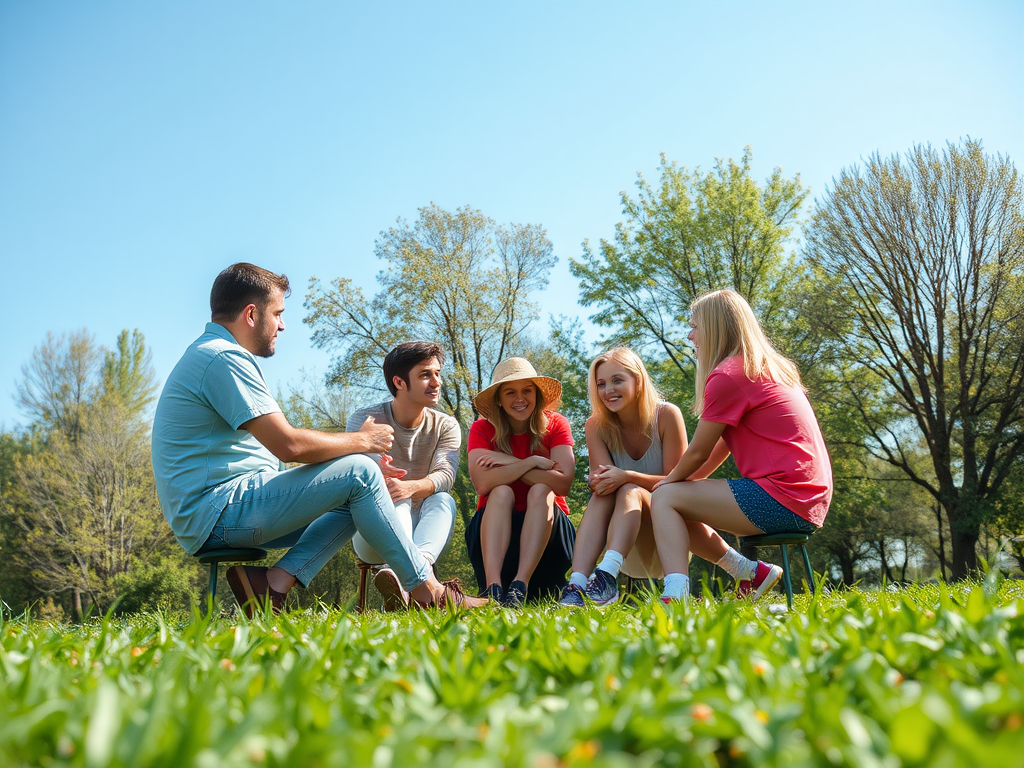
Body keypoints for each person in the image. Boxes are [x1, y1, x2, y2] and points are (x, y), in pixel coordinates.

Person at [152, 263, 485, 616]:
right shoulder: (223, 358)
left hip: (220, 509)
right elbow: (289, 446)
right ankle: (428, 590)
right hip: (216, 511)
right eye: (277, 313)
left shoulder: (216, 354)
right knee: (359, 473)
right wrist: (362, 442)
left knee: (358, 490)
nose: (282, 324)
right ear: (251, 314)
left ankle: (272, 585)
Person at [651, 289, 833, 604]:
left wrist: (665, 487)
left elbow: (698, 452)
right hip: (807, 498)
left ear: (714, 327)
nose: (690, 334)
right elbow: (718, 449)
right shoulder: (763, 368)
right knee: (674, 499)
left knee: (666, 498)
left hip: (783, 498)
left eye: (695, 326)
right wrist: (680, 487)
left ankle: (676, 596)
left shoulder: (729, 376)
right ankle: (752, 574)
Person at [347, 341, 461, 610]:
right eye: (425, 375)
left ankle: (406, 576)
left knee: (443, 499)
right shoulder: (365, 420)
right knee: (394, 493)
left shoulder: (446, 425)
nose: (436, 382)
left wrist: (410, 487)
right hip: (371, 534)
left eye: (437, 373)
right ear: (399, 382)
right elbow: (353, 471)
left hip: (425, 533)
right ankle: (413, 579)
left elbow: (446, 474)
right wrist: (378, 468)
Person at [465, 358, 576, 607]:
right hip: (493, 531)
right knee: (501, 492)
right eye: (510, 392)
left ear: (536, 394)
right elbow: (483, 485)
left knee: (542, 491)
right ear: (499, 400)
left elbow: (563, 484)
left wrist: (503, 462)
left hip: (549, 536)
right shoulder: (481, 429)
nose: (520, 398)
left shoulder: (556, 424)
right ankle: (493, 589)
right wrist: (530, 462)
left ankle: (519, 585)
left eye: (527, 390)